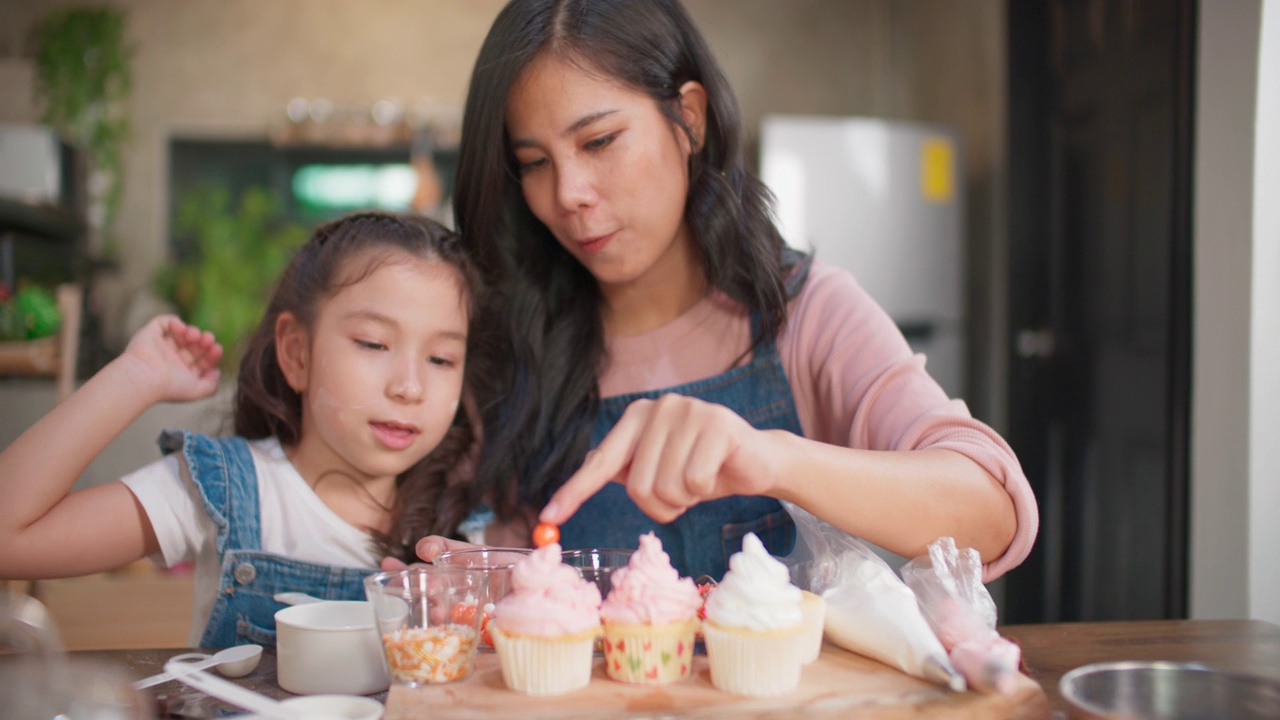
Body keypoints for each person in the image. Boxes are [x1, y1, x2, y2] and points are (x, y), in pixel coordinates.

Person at [416, 0, 1039, 584]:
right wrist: (494, 579)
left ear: (689, 118)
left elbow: (993, 514)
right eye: (534, 163)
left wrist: (775, 461)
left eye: (599, 141)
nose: (568, 193)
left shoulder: (804, 312)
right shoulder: (506, 336)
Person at [0, 211, 482, 647]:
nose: (410, 387)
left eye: (441, 358)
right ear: (296, 354)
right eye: (374, 344)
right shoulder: (224, 489)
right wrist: (134, 378)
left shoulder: (469, 529)